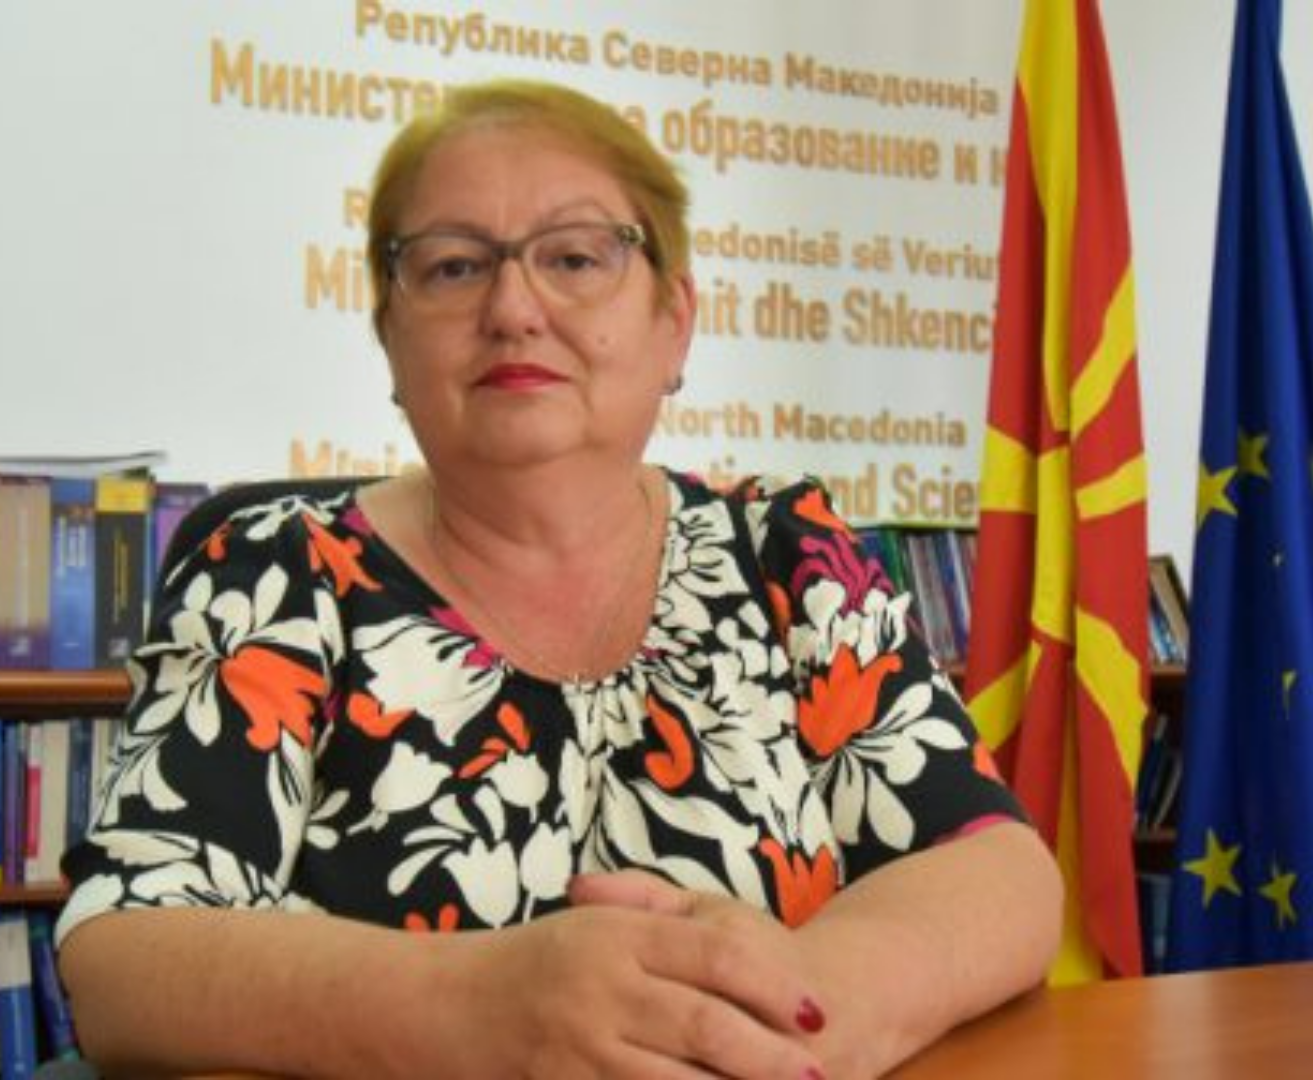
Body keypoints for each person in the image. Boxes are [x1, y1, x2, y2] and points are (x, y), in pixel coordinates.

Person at [56, 78, 1061, 1079]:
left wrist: (814, 1008)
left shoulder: (785, 551)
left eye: (575, 257)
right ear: (390, 337)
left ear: (675, 320)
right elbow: (127, 957)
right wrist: (479, 1008)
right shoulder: (275, 572)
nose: (512, 308)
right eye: (453, 267)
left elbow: (998, 869)